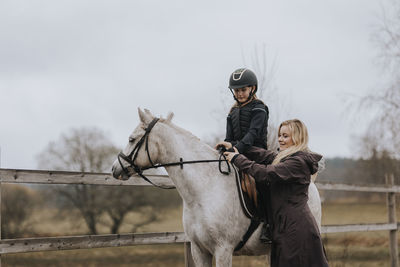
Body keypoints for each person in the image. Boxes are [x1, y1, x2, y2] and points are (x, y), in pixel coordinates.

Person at [223, 119, 329, 267]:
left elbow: (266, 173)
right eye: (280, 135)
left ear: (297, 138)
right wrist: (237, 147)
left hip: (296, 231)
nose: (280, 139)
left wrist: (237, 159)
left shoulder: (297, 163)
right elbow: (263, 155)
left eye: (285, 136)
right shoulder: (285, 158)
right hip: (284, 229)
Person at [215, 67, 271, 243]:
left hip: (257, 153)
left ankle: (269, 225)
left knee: (262, 182)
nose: (239, 93)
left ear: (252, 89)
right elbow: (229, 137)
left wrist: (236, 148)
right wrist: (226, 146)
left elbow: (253, 134)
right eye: (236, 90)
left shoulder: (259, 108)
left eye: (243, 89)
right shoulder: (232, 112)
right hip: (237, 151)